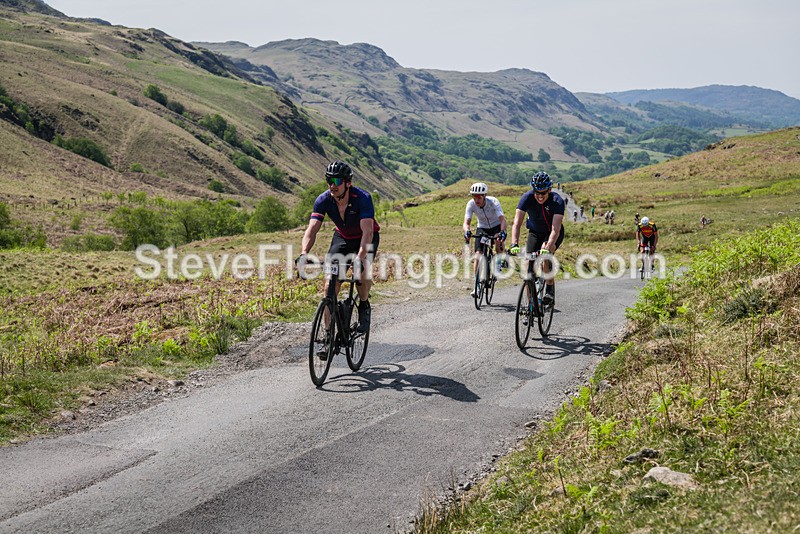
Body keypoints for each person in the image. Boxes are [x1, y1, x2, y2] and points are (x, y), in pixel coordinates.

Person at [297, 160, 380, 335]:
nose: (331, 185)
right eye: (329, 180)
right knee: (330, 286)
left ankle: (364, 306)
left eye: (336, 181)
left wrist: (360, 257)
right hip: (342, 238)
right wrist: (304, 253)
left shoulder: (362, 198)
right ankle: (328, 335)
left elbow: (367, 232)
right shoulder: (323, 200)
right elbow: (312, 230)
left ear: (348, 183)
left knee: (361, 273)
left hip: (365, 239)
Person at [509, 171, 565, 306]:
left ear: (549, 190)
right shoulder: (527, 198)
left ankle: (549, 290)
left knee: (545, 257)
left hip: (551, 233)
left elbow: (555, 229)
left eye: (543, 193)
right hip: (534, 232)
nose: (539, 196)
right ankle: (531, 305)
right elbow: (517, 223)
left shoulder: (557, 201)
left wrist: (548, 245)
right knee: (529, 268)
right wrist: (514, 244)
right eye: (537, 192)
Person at [463, 182, 507, 297]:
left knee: (498, 244)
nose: (476, 200)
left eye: (479, 197)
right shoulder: (471, 204)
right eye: (474, 197)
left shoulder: (494, 202)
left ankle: (498, 263)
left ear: (484, 196)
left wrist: (502, 232)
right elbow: (466, 222)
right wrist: (467, 231)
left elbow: (503, 220)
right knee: (478, 254)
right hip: (482, 228)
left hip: (496, 226)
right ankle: (476, 286)